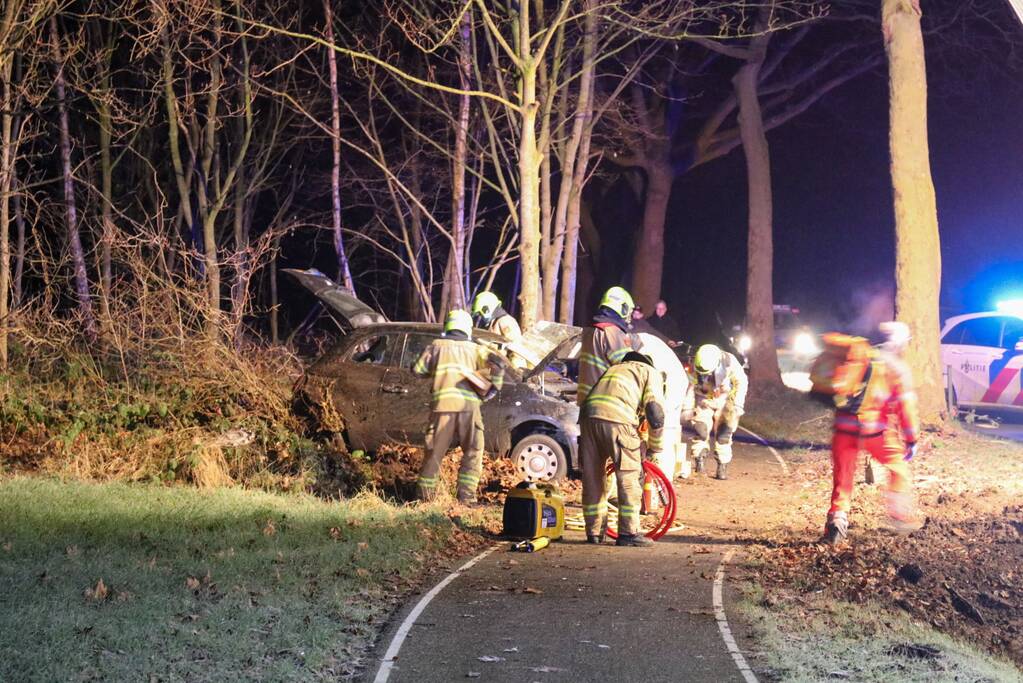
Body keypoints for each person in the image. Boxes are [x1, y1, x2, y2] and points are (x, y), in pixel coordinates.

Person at [823, 321, 920, 545]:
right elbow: (906, 408)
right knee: (898, 468)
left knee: (843, 478)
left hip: (843, 429)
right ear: (899, 343)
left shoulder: (857, 357)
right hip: (875, 431)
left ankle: (837, 522)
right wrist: (912, 438)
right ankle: (899, 516)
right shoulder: (896, 368)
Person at [412, 309, 504, 504]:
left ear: (448, 326)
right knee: (473, 451)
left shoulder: (435, 346)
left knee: (434, 454)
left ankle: (424, 499)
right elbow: (498, 367)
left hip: (441, 409)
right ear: (468, 328)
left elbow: (418, 370)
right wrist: (491, 390)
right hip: (468, 409)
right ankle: (466, 498)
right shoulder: (477, 349)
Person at [579, 351, 666, 547]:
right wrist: (654, 448)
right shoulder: (650, 372)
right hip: (617, 420)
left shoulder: (614, 369)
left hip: (587, 418)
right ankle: (628, 533)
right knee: (629, 477)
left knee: (593, 478)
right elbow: (655, 413)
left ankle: (594, 532)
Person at [686, 343, 748, 480]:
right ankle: (699, 462)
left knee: (724, 433)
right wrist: (688, 407)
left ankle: (722, 465)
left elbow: (741, 382)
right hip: (703, 399)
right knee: (701, 429)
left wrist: (738, 405)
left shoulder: (729, 362)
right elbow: (689, 385)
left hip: (725, 399)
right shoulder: (695, 364)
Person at [577, 286, 638, 405]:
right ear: (623, 309)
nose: (629, 318)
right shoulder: (612, 332)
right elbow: (629, 368)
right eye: (630, 312)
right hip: (604, 405)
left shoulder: (590, 330)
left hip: (585, 403)